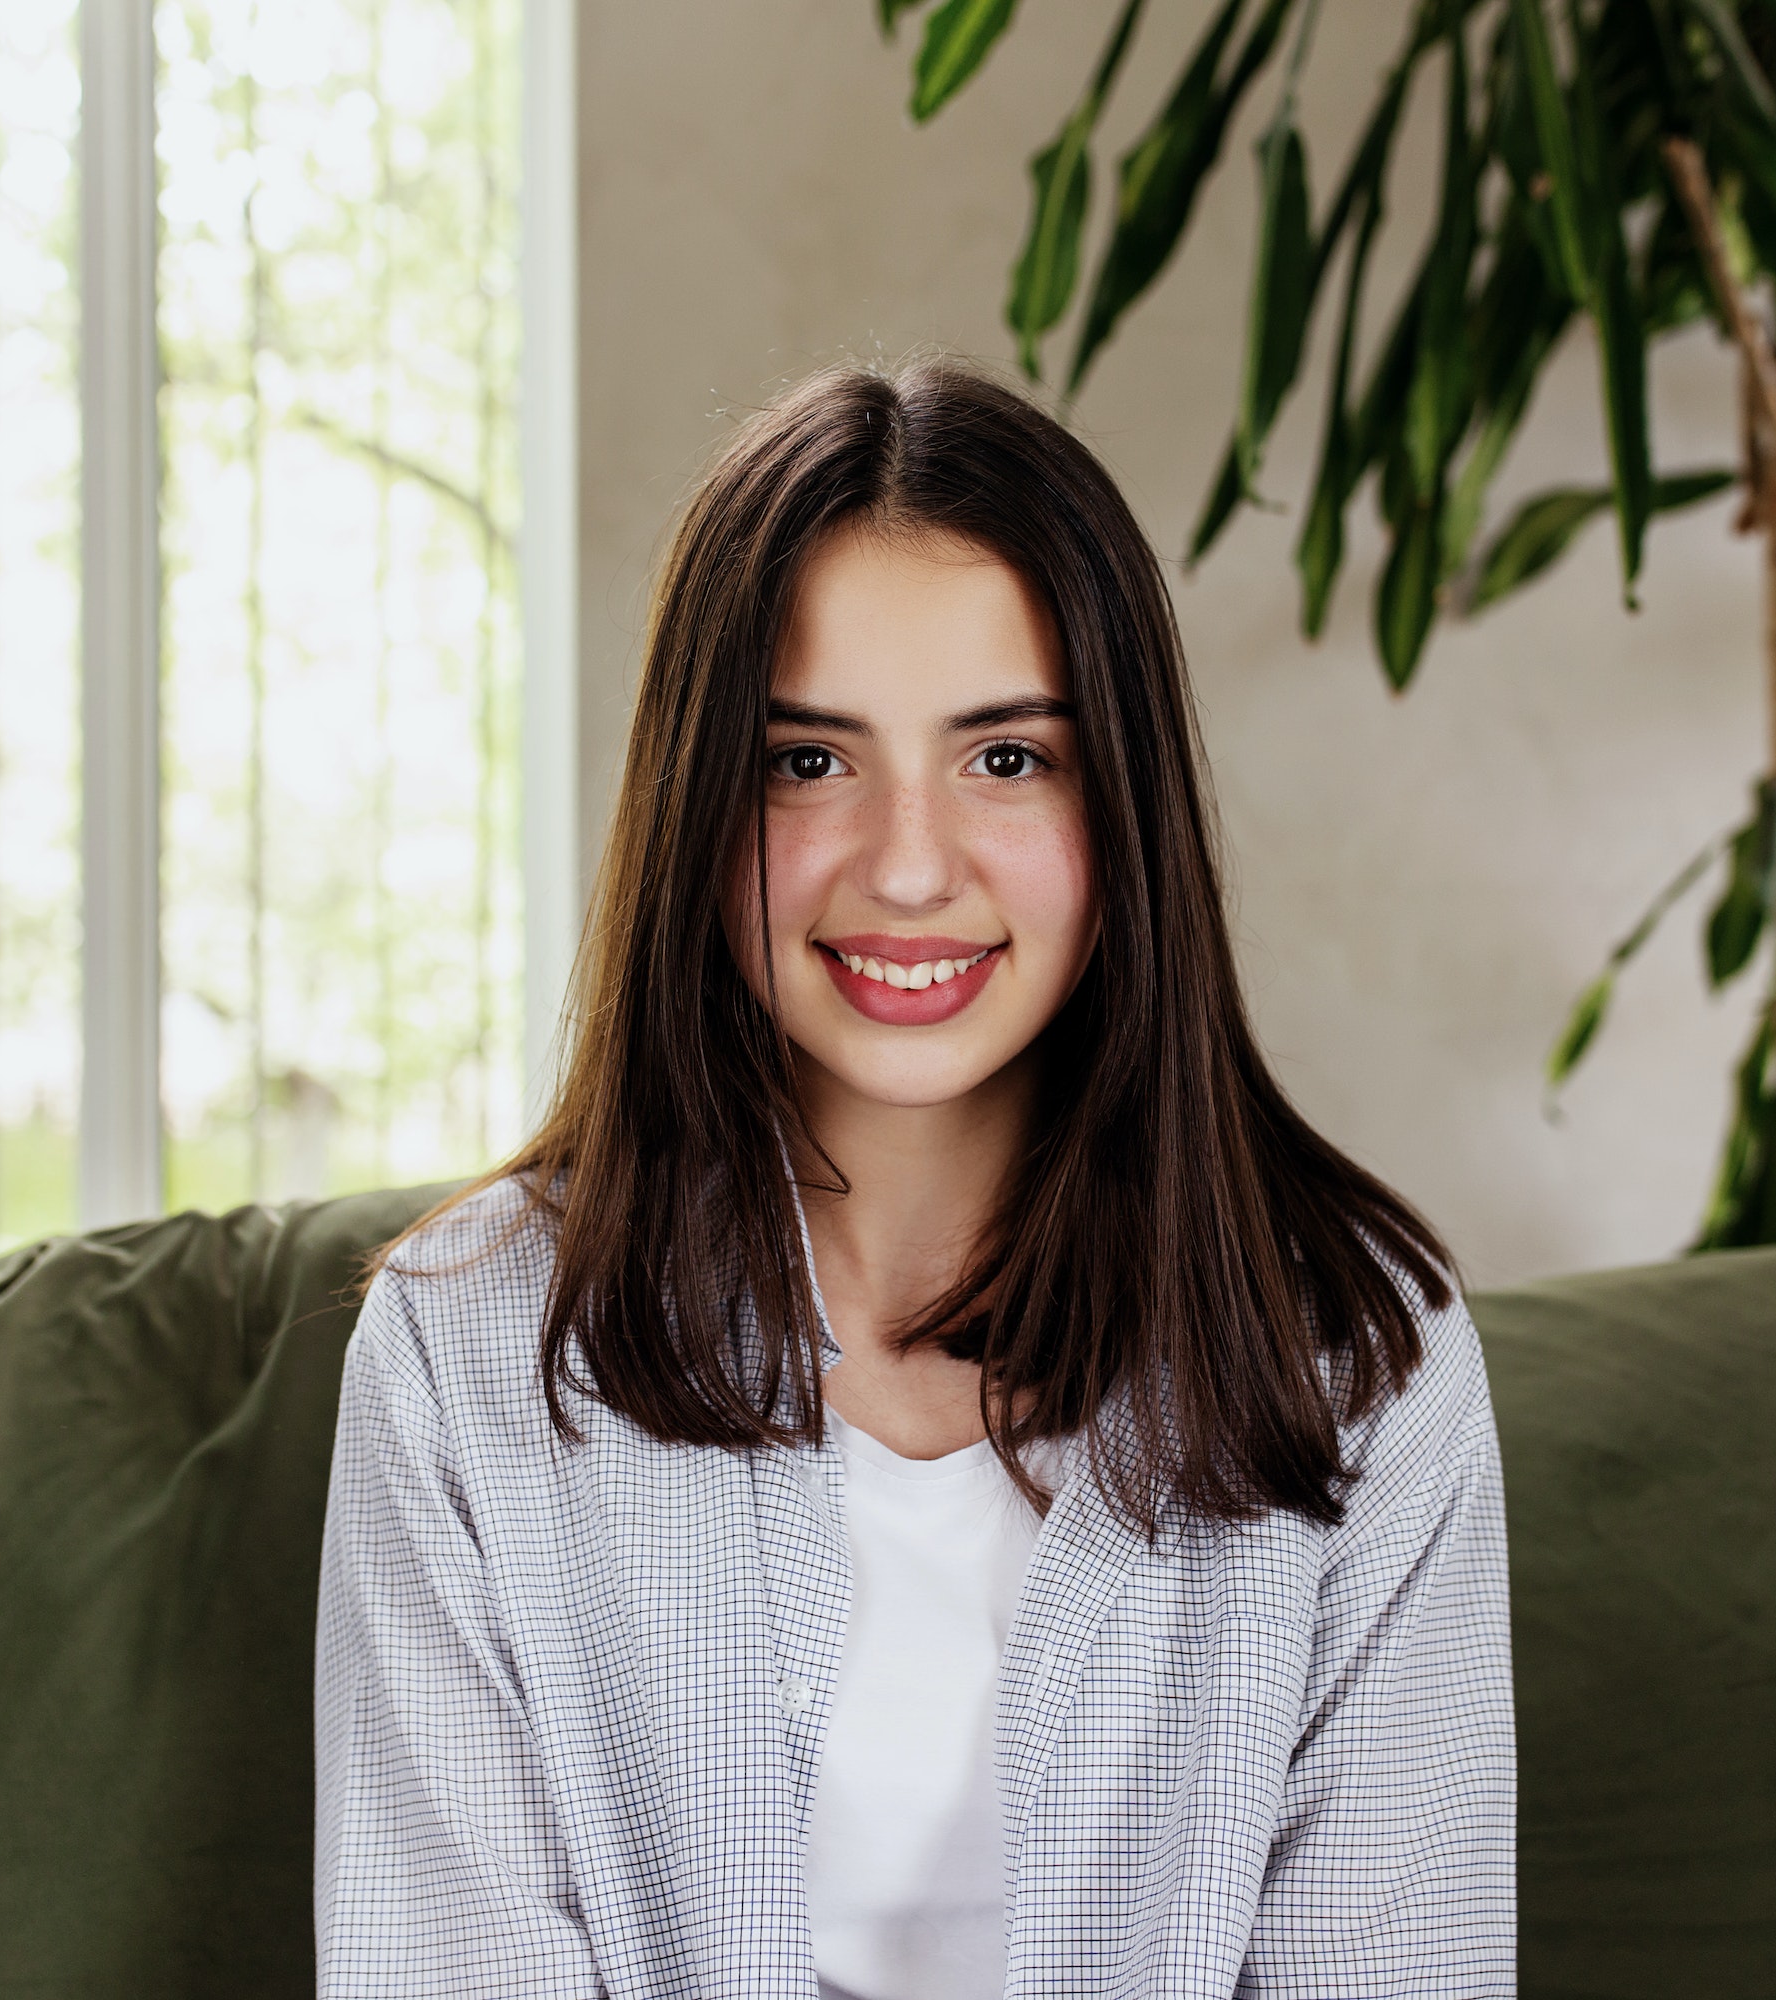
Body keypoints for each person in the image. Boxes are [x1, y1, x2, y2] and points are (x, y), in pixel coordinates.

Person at [314, 357, 1514, 1999]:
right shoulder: (468, 1358)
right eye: (809, 761)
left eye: (1005, 758)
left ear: (1125, 807)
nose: (905, 862)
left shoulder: (1363, 1357)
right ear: (696, 806)